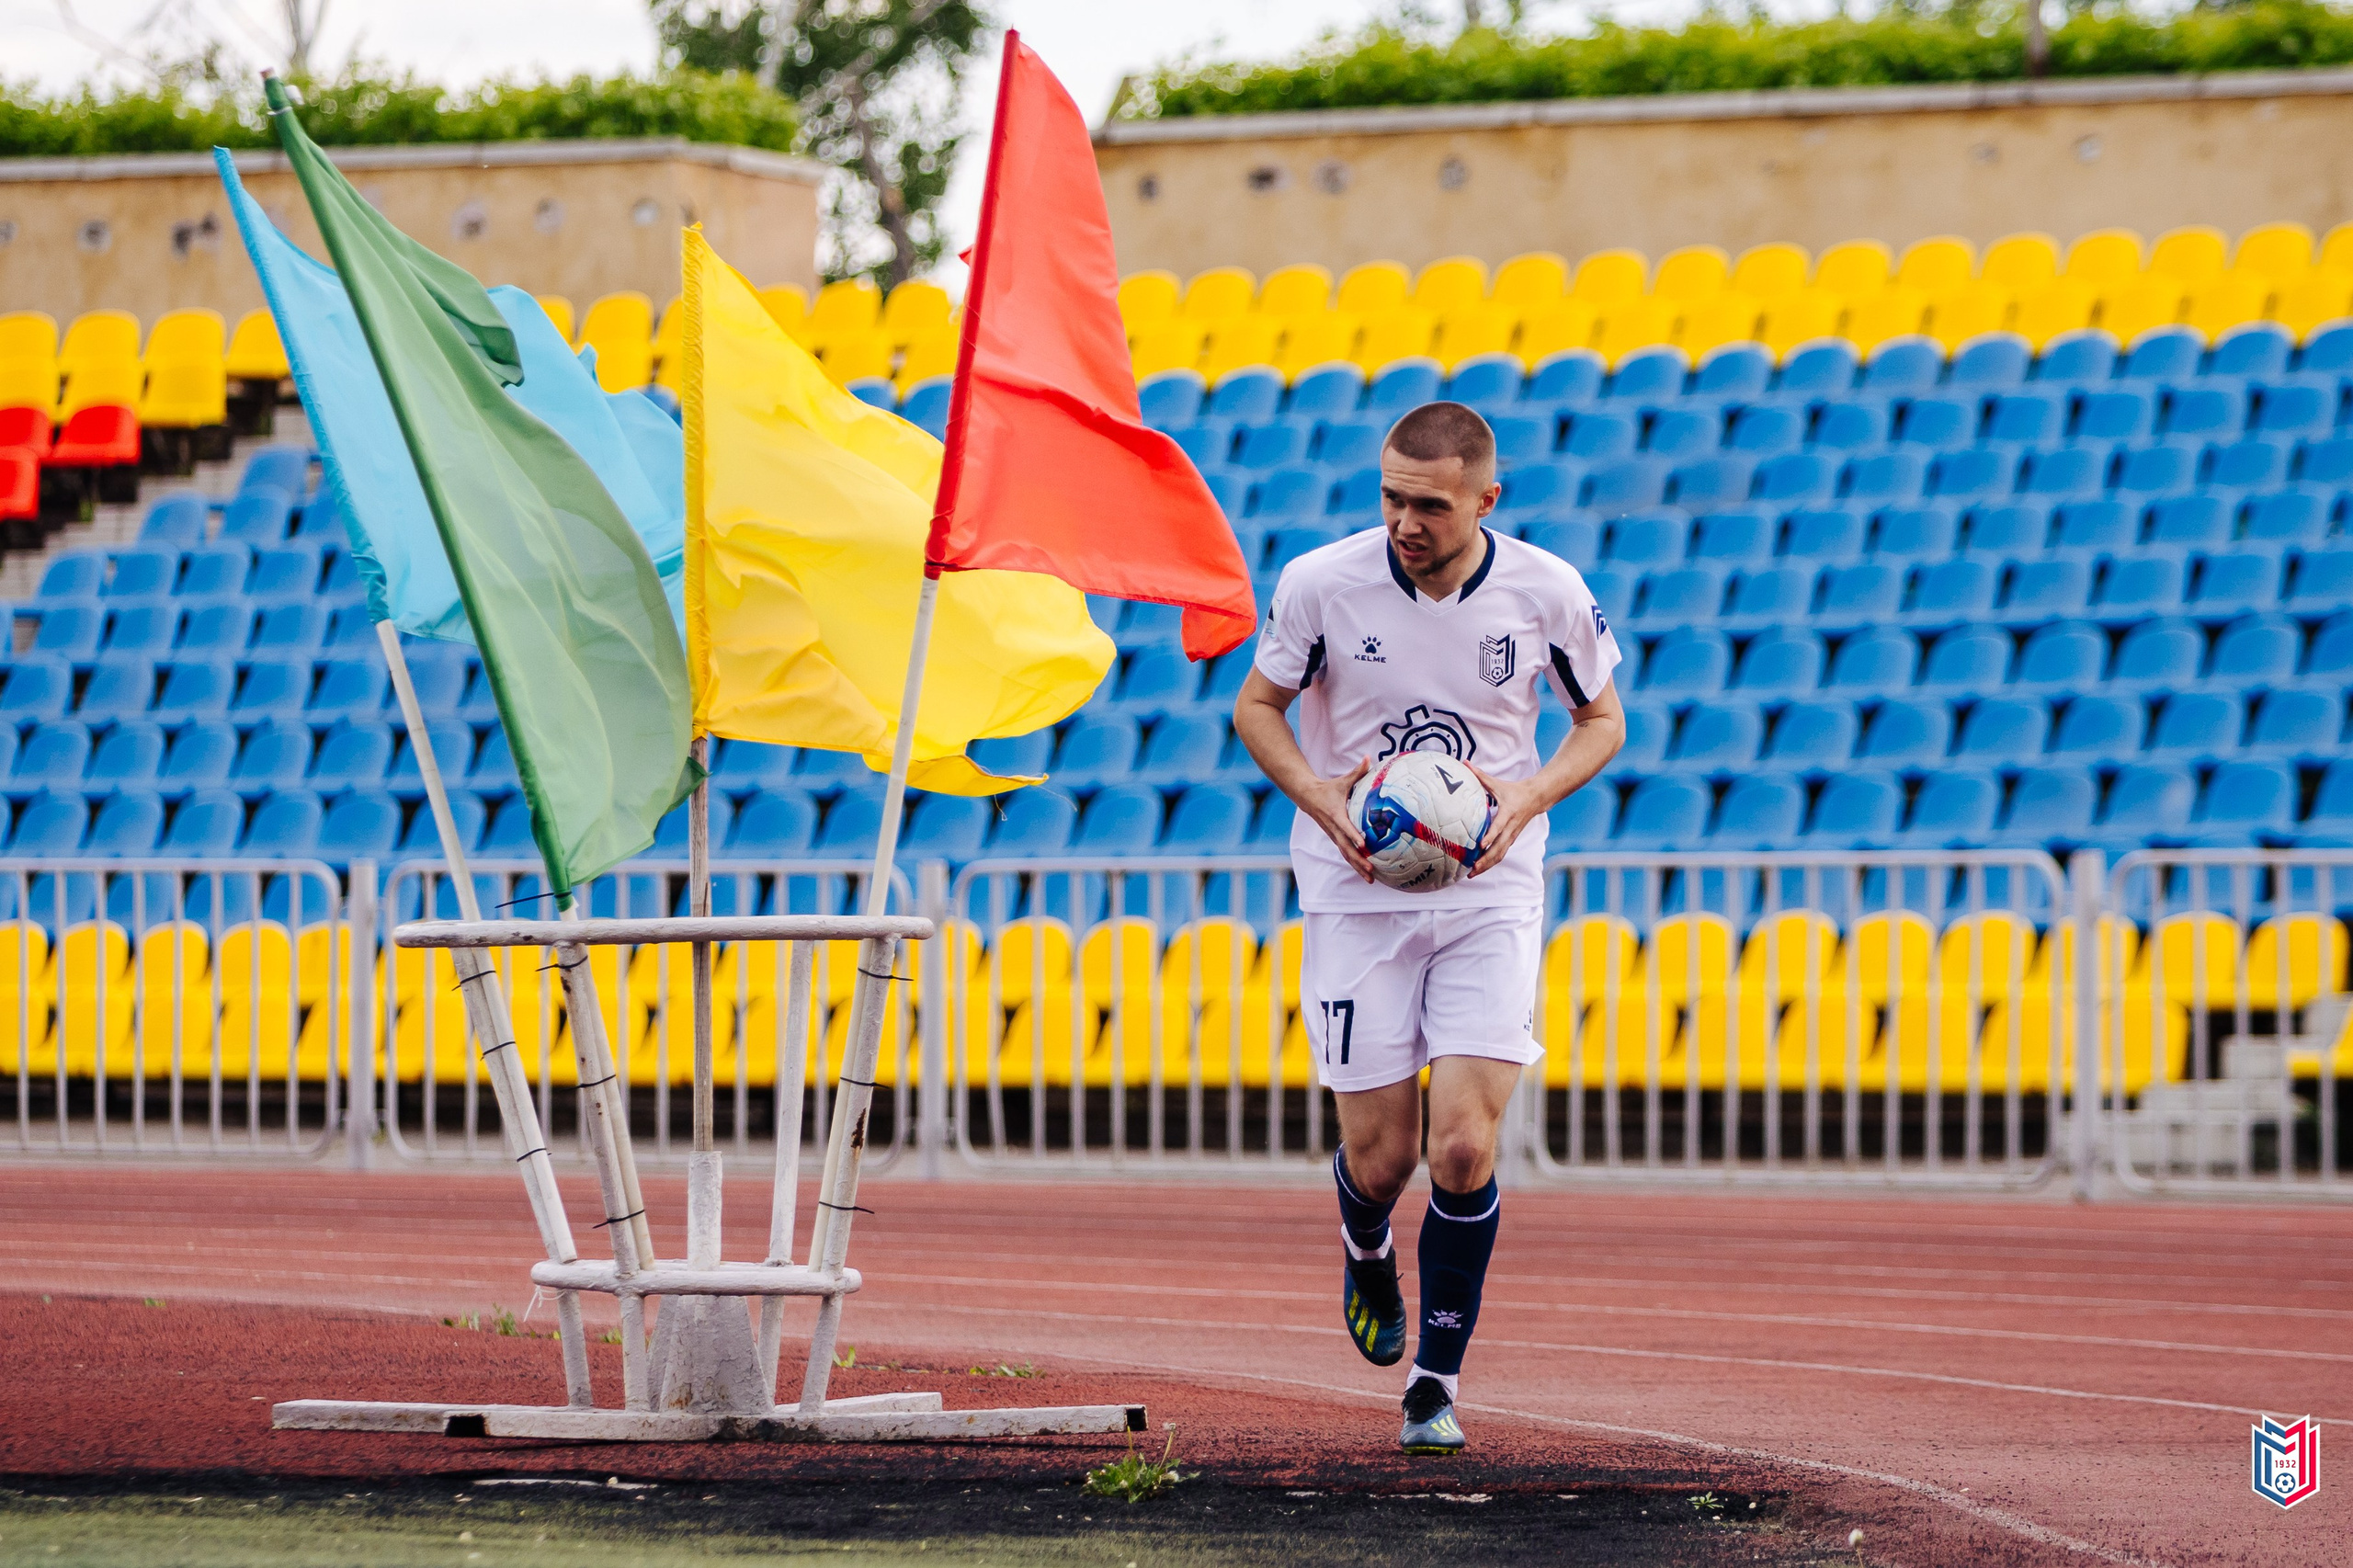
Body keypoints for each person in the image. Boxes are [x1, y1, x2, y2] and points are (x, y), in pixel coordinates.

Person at [1233, 400, 1624, 1454]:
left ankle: (1433, 1382)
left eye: (1431, 505)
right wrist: (1317, 793)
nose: (1406, 521)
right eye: (1391, 498)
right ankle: (1366, 1243)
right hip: (1356, 890)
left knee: (1459, 1143)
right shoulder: (1321, 582)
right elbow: (1256, 706)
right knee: (1383, 1159)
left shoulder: (1547, 591)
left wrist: (1527, 796)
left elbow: (1602, 721)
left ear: (1486, 499)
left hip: (1488, 889)